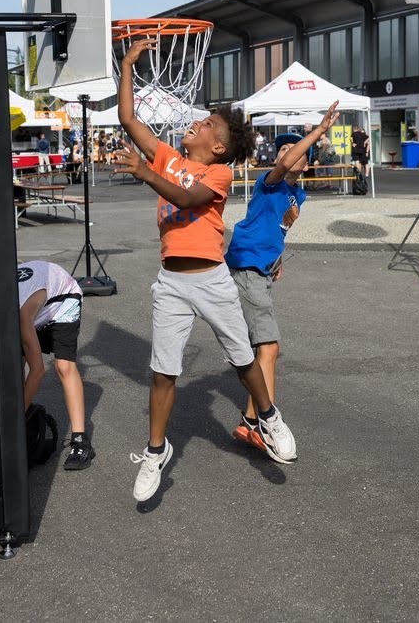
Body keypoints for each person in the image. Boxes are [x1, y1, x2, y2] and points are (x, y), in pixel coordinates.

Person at [112, 36, 297, 502]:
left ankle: (269, 417)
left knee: (241, 359)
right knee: (163, 371)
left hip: (212, 279)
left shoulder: (218, 175)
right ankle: (157, 451)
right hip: (172, 282)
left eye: (208, 123)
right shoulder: (169, 158)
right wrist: (129, 66)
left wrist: (144, 174)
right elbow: (129, 118)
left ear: (217, 146)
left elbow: (188, 199)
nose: (196, 122)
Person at [226, 102, 340, 453]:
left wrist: (277, 259)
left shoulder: (297, 194)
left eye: (299, 149)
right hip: (245, 268)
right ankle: (264, 421)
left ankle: (249, 422)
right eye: (286, 148)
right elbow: (283, 165)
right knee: (269, 348)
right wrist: (317, 131)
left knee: (261, 350)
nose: (292, 154)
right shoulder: (270, 182)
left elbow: (277, 228)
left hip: (261, 269)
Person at [0, 260, 93, 470]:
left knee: (63, 366)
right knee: (14, 361)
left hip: (62, 299)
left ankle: (81, 441)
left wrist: (14, 420)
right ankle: (13, 419)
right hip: (37, 298)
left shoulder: (20, 315)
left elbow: (38, 371)